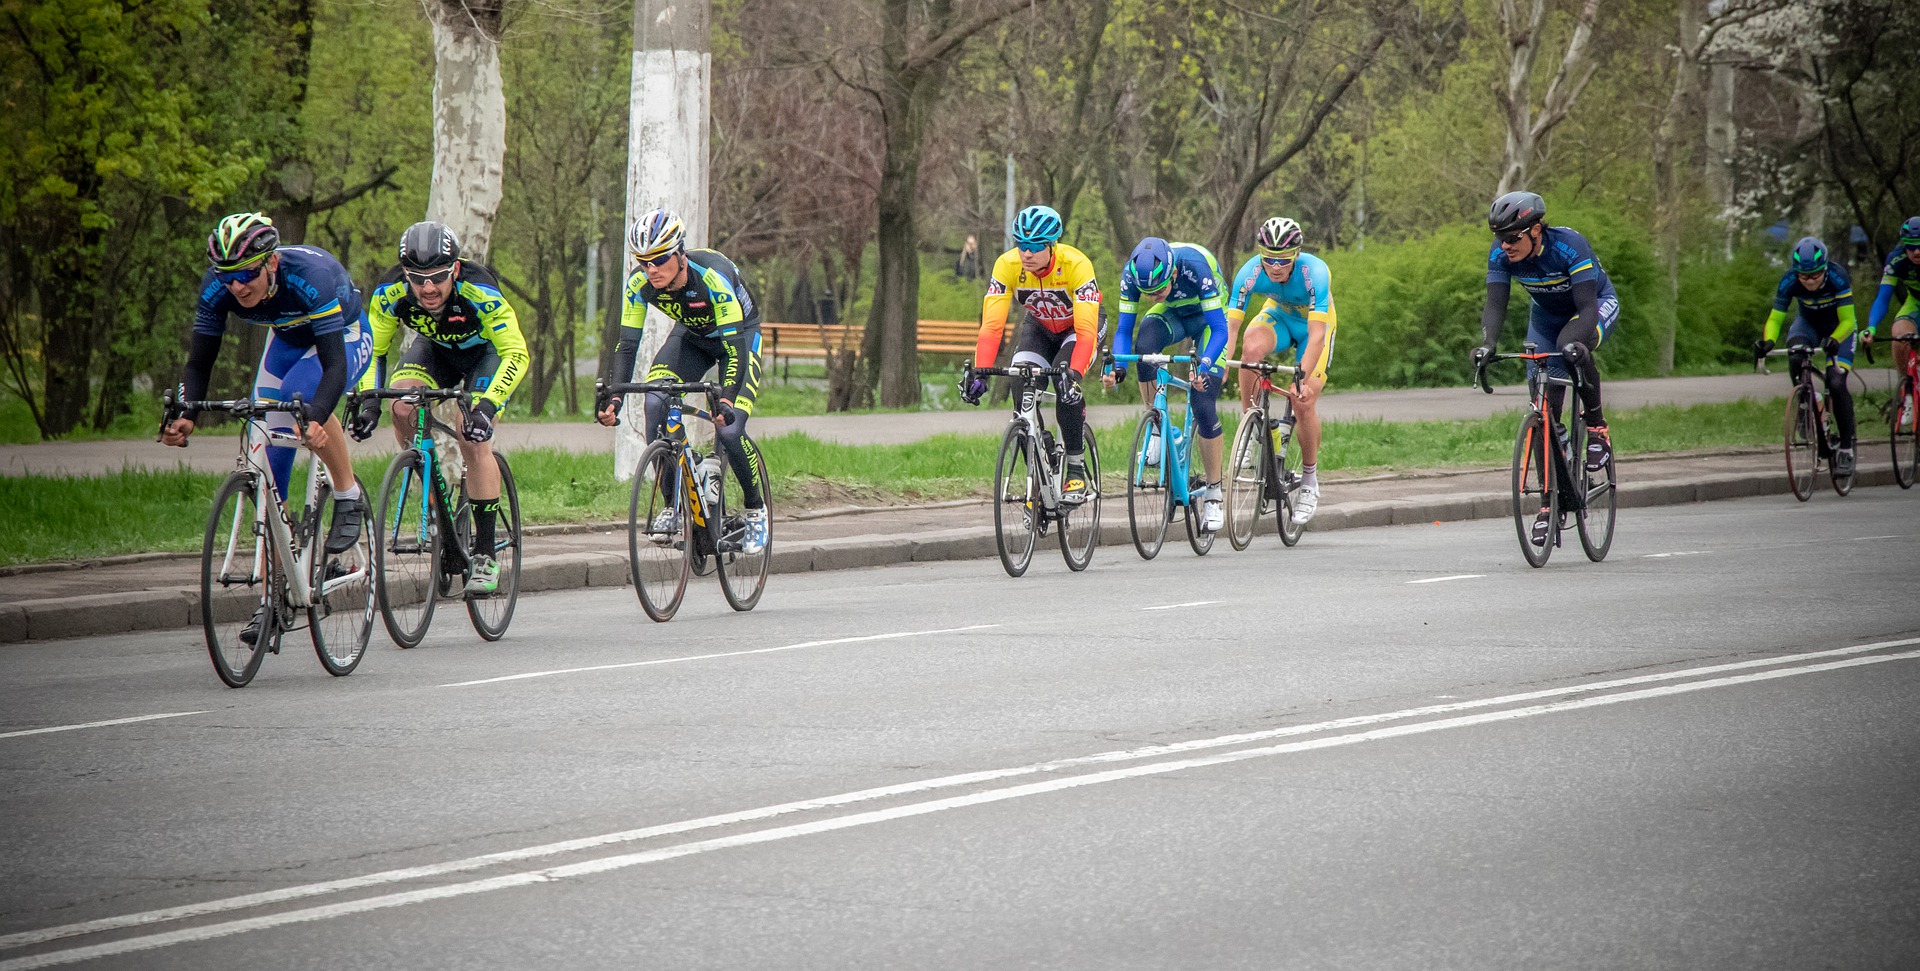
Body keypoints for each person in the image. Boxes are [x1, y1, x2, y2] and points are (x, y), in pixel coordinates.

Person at [162, 212, 373, 642]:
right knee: (267, 471)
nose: (237, 286)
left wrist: (314, 419)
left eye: (245, 274)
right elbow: (199, 361)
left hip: (343, 337)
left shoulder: (310, 276)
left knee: (297, 400)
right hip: (288, 339)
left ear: (271, 263)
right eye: (226, 276)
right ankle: (272, 599)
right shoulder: (219, 290)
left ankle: (347, 494)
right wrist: (186, 412)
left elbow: (333, 367)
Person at [351, 221, 530, 596]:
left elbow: (516, 351)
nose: (428, 288)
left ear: (455, 269)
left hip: (487, 355)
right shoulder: (389, 294)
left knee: (472, 435)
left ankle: (483, 553)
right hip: (436, 351)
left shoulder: (479, 290)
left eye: (437, 277)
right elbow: (373, 352)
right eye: (418, 279)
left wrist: (486, 407)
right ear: (405, 274)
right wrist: (369, 401)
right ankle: (429, 484)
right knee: (400, 408)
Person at [596, 207, 768, 555]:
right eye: (643, 262)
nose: (651, 269)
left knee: (730, 430)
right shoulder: (639, 284)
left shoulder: (713, 278)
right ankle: (672, 503)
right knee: (655, 402)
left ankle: (756, 509)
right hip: (692, 338)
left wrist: (727, 399)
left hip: (738, 338)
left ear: (680, 254)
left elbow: (733, 349)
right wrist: (614, 397)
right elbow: (628, 344)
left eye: (659, 259)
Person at [1472, 191, 1620, 543]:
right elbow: (1495, 305)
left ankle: (1597, 427)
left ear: (1536, 230)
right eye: (1499, 238)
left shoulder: (1569, 246)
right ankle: (1547, 504)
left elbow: (1585, 309)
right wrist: (1487, 345)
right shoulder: (1502, 255)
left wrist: (1573, 345)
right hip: (1546, 317)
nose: (1505, 245)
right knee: (1543, 411)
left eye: (1512, 238)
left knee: (1572, 349)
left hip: (1591, 306)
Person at [959, 205, 1102, 504]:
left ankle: (1075, 466)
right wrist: (982, 371)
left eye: (1036, 246)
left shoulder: (1076, 264)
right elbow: (992, 326)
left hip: (1077, 328)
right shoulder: (1006, 265)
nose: (1027, 253)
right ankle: (1037, 466)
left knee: (1066, 388)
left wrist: (1073, 375)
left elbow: (1087, 332)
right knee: (1019, 384)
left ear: (1052, 245)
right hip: (1039, 327)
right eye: (1022, 245)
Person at [1102, 236, 1232, 532]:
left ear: (1173, 273)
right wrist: (1118, 368)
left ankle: (1214, 493)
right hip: (1173, 315)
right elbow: (1124, 329)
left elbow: (1220, 329)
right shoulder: (1133, 275)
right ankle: (1158, 427)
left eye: (1159, 289)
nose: (1153, 296)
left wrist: (1206, 365)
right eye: (1147, 292)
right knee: (1145, 345)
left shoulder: (1195, 267)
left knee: (1202, 401)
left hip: (1208, 319)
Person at [1226, 216, 1336, 524]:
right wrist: (1218, 361)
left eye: (1283, 260)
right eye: (1269, 259)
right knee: (1250, 349)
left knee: (1303, 399)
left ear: (1297, 254)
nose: (1275, 267)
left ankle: (1310, 482)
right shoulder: (1249, 272)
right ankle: (1250, 427)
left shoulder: (1314, 273)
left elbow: (1316, 336)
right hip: (1279, 317)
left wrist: (1301, 377)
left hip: (1314, 329)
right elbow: (1231, 325)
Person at [1755, 235, 1860, 477]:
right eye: (1804, 277)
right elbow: (1775, 318)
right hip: (1808, 324)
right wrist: (1769, 341)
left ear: (1824, 268)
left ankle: (1846, 448)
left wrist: (1835, 339)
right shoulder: (1789, 280)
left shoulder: (1837, 277)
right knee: (1795, 356)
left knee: (1835, 380)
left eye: (1814, 275)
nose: (1809, 281)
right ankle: (1807, 404)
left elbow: (1847, 320)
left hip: (1839, 328)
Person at [1862, 216, 1920, 375]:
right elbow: (1883, 298)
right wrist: (1871, 328)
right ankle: (1906, 387)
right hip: (1915, 303)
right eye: (1911, 246)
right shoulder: (1896, 259)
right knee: (1899, 335)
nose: (1917, 252)